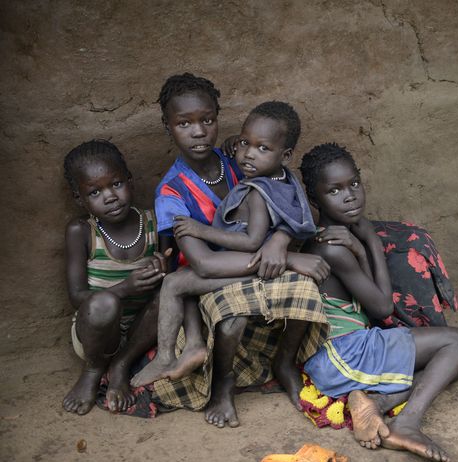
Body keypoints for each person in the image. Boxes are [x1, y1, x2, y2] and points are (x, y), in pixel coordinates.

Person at [151, 73, 330, 428]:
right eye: (184, 124)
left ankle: (284, 362)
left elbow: (288, 198)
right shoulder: (171, 193)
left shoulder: (240, 157)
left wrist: (280, 240)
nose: (198, 131)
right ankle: (222, 386)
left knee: (307, 293)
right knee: (230, 319)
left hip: (253, 266)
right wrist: (289, 256)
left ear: (219, 118)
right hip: (212, 277)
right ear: (168, 127)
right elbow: (202, 263)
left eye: (207, 120)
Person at [300, 143, 458, 462]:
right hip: (346, 354)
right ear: (314, 200)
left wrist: (364, 248)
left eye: (353, 184)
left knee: (454, 364)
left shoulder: (334, 238)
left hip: (336, 354)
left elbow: (370, 301)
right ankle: (407, 423)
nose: (350, 195)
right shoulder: (332, 247)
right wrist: (372, 246)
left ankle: (376, 404)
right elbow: (381, 308)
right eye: (334, 190)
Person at [130, 100, 317, 388]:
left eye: (261, 148)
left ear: (286, 154)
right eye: (244, 143)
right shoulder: (278, 176)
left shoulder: (257, 188)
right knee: (180, 280)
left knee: (174, 284)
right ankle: (192, 345)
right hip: (249, 259)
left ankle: (166, 356)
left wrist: (201, 230)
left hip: (250, 260)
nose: (248, 155)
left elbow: (251, 241)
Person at [62, 139, 170, 415]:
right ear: (80, 199)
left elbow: (174, 271)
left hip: (143, 331)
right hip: (95, 332)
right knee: (104, 304)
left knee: (170, 290)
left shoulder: (154, 223)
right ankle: (95, 369)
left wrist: (162, 271)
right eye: (95, 192)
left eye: (116, 184)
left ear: (130, 181)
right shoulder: (81, 232)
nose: (110, 196)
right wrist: (125, 288)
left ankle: (121, 364)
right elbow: (77, 298)